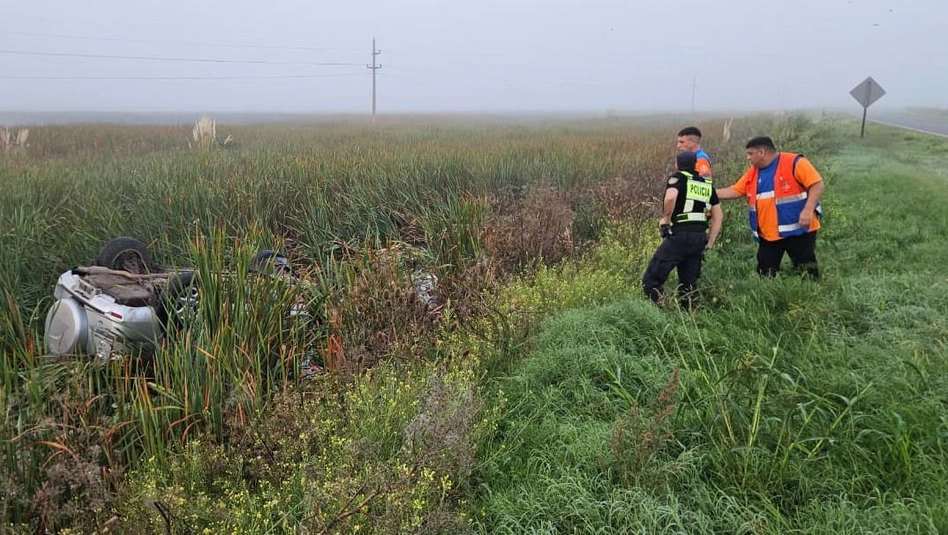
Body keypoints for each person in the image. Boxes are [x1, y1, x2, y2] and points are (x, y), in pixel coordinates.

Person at [716, 136, 824, 278]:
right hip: (769, 234)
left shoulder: (794, 162)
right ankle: (770, 297)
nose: (748, 158)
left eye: (750, 153)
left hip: (799, 230)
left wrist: (808, 210)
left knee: (806, 270)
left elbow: (816, 184)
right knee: (765, 273)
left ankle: (810, 295)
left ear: (761, 152)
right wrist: (708, 193)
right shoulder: (753, 172)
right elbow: (736, 190)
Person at [642, 151, 723, 309]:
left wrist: (665, 219)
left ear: (677, 164)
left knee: (651, 280)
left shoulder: (678, 178)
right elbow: (718, 216)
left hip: (680, 236)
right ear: (695, 165)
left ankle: (662, 312)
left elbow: (671, 197)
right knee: (689, 284)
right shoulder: (707, 185)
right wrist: (711, 240)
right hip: (699, 238)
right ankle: (689, 316)